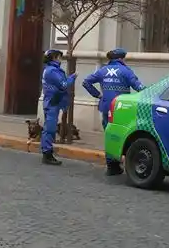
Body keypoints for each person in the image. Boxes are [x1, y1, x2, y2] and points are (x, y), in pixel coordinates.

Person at [83, 48, 145, 176]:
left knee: (109, 134)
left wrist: (98, 95)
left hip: (106, 106)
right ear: (121, 59)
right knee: (122, 135)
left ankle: (111, 165)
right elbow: (139, 87)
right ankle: (121, 162)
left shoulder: (102, 70)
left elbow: (86, 82)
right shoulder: (126, 71)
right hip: (120, 109)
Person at [40, 48, 76, 166]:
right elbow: (64, 85)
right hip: (52, 102)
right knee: (50, 129)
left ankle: (47, 152)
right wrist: (72, 77)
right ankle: (47, 154)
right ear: (54, 58)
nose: (61, 59)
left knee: (49, 128)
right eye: (59, 56)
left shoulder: (51, 70)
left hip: (52, 101)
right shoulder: (52, 71)